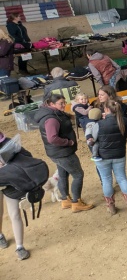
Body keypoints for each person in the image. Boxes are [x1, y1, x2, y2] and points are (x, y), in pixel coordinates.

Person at [35, 94, 93, 212]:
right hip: (63, 153)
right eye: (61, 103)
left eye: (64, 102)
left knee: (63, 174)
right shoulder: (51, 119)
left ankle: (65, 200)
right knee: (78, 175)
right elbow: (52, 138)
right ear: (51, 104)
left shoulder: (52, 113)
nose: (64, 105)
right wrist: (68, 142)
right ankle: (76, 202)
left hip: (56, 152)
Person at [0, 132, 48, 260]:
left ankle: (19, 247)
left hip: (11, 184)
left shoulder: (8, 143)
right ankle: (0, 235)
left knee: (15, 214)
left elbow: (27, 157)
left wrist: (9, 165)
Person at [94, 99, 127, 215]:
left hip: (103, 156)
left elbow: (93, 139)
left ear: (106, 109)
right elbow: (125, 136)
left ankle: (111, 206)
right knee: (122, 178)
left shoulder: (99, 124)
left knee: (106, 180)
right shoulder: (125, 121)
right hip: (119, 153)